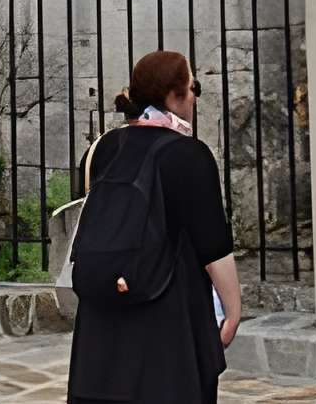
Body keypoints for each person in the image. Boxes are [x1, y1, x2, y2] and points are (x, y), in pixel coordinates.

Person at [68, 50, 240, 404]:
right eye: (194, 88)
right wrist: (234, 310)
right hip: (168, 314)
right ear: (175, 95)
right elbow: (213, 246)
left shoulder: (101, 150)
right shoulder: (189, 155)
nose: (195, 96)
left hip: (103, 314)